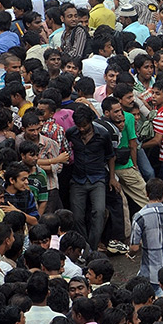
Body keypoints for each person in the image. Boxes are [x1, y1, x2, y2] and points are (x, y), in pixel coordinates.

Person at [66, 104, 119, 250]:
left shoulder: (103, 135)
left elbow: (111, 156)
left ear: (90, 122)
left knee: (99, 212)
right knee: (77, 216)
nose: (82, 129)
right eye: (79, 126)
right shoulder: (71, 133)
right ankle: (85, 248)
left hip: (98, 179)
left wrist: (112, 178)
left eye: (84, 126)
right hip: (78, 179)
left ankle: (92, 247)